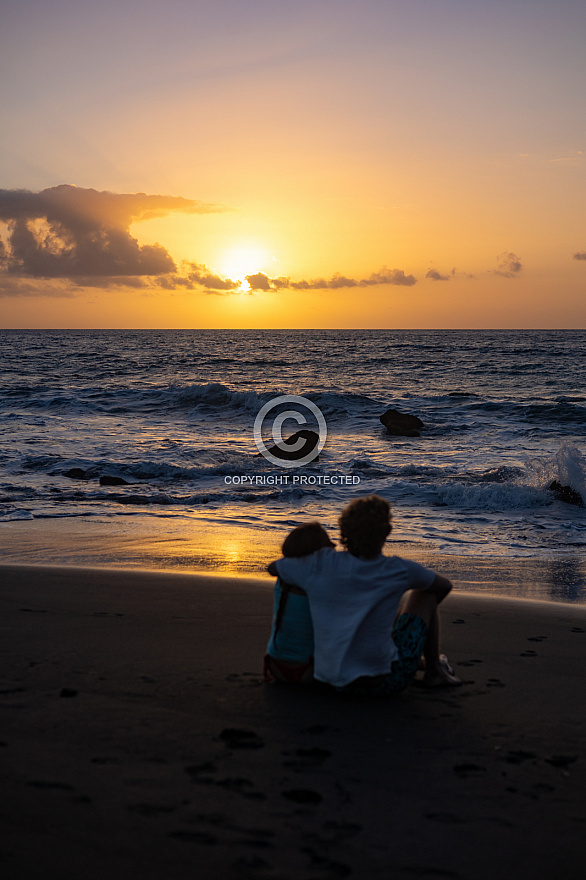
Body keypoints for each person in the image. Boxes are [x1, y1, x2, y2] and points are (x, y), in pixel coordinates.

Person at [267, 495, 460, 696]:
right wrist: (402, 619)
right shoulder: (398, 569)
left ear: (343, 530)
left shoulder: (321, 563)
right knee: (425, 594)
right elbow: (443, 586)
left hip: (331, 681)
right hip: (383, 683)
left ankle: (432, 664)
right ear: (387, 532)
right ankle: (434, 671)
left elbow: (274, 568)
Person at [264, 521, 335, 684]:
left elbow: (271, 567)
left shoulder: (282, 576)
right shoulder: (319, 584)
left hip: (275, 664)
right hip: (309, 670)